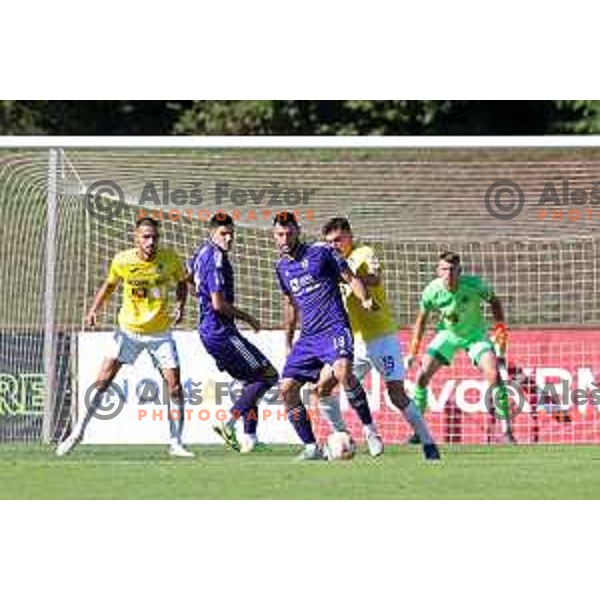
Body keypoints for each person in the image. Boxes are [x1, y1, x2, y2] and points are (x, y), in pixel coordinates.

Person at [56, 217, 193, 457]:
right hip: (128, 330)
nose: (151, 242)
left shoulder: (170, 259)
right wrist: (93, 310)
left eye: (154, 237)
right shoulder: (122, 260)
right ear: (136, 238)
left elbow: (182, 282)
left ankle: (176, 442)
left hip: (160, 333)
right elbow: (109, 286)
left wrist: (180, 305)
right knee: (104, 379)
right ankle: (77, 433)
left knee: (174, 386)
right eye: (146, 237)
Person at [314, 217, 440, 460]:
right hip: (352, 342)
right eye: (330, 242)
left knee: (397, 394)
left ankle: (428, 443)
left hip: (381, 337)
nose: (335, 245)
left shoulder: (363, 253)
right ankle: (342, 436)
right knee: (323, 388)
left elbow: (375, 277)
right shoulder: (329, 260)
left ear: (350, 236)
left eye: (339, 239)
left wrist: (348, 276)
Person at [273, 212, 382, 460]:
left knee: (343, 372)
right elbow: (290, 304)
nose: (285, 238)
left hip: (334, 327)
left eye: (290, 232)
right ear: (274, 236)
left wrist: (364, 298)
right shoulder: (282, 267)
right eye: (280, 234)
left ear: (298, 231)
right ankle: (311, 447)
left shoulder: (321, 252)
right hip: (309, 336)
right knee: (287, 390)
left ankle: (370, 429)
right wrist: (288, 340)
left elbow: (349, 277)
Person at [188, 213, 278, 453]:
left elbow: (187, 278)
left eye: (231, 234)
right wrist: (249, 318)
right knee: (267, 376)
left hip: (210, 331)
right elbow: (218, 304)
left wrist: (188, 302)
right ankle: (228, 422)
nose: (228, 238)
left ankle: (250, 440)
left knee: (252, 381)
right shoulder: (215, 258)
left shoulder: (200, 253)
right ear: (212, 233)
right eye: (223, 234)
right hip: (221, 332)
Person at [404, 251, 516, 443]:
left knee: (494, 375)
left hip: (475, 335)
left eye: (453, 270)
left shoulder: (473, 285)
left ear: (460, 271)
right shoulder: (432, 290)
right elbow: (421, 320)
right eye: (444, 269)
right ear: (438, 271)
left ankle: (507, 431)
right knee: (421, 375)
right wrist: (413, 351)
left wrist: (500, 333)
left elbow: (495, 302)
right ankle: (418, 432)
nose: (449, 274)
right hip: (448, 335)